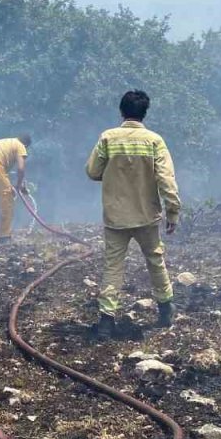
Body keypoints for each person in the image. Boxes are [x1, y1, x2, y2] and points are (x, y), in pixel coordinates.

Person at [85, 90, 181, 337]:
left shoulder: (108, 138)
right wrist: (172, 211)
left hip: (115, 217)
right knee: (155, 260)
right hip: (146, 215)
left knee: (113, 266)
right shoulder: (154, 141)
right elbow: (166, 179)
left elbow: (93, 171)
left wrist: (113, 173)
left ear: (121, 111)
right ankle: (165, 309)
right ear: (145, 112)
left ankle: (106, 321)